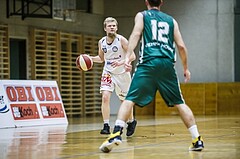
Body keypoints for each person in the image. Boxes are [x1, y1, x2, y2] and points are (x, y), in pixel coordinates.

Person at [99, 0, 204, 153]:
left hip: (147, 63)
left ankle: (116, 133)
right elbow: (181, 46)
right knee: (179, 103)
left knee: (129, 99)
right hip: (167, 65)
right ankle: (196, 139)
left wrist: (127, 58)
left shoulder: (142, 16)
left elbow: (135, 34)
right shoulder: (171, 21)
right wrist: (186, 68)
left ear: (146, 1)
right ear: (162, 2)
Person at [90, 17, 137, 136]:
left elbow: (132, 56)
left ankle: (131, 121)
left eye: (114, 26)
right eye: (109, 26)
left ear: (117, 28)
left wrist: (122, 62)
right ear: (105, 28)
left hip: (122, 73)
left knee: (125, 101)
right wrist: (89, 58)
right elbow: (101, 59)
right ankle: (106, 126)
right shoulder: (101, 42)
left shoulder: (122, 40)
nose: (112, 27)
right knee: (105, 97)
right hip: (108, 72)